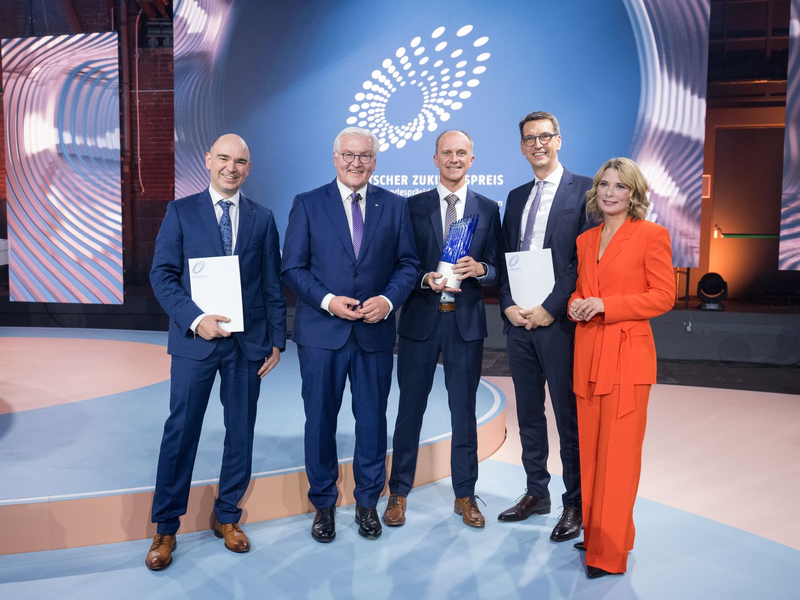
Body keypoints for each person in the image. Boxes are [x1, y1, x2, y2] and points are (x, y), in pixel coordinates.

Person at [146, 134, 286, 570]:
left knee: (241, 433)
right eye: (224, 158)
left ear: (249, 167)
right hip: (195, 343)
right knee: (181, 432)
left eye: (240, 161)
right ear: (208, 161)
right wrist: (194, 318)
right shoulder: (180, 211)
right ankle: (165, 527)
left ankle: (228, 517)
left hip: (247, 346)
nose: (231, 167)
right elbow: (162, 275)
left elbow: (271, 285)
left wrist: (277, 339)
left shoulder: (262, 218)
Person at [281, 127, 419, 543]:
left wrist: (388, 300)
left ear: (375, 160)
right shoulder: (307, 204)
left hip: (374, 335)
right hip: (322, 334)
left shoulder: (394, 207)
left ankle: (366, 505)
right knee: (320, 421)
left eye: (364, 156)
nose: (356, 163)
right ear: (335, 158)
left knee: (373, 423)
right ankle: (323, 505)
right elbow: (292, 268)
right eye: (348, 155)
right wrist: (327, 301)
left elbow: (409, 264)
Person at [385, 130, 501, 528]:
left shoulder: (488, 208)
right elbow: (399, 263)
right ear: (435, 159)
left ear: (472, 159)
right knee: (409, 411)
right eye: (446, 152)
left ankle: (465, 496)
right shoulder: (410, 207)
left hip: (465, 323)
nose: (454, 158)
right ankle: (398, 493)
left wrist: (482, 269)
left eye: (461, 153)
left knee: (463, 413)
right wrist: (423, 279)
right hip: (420, 320)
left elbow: (498, 266)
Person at [568, 157, 674, 578]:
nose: (611, 193)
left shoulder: (652, 235)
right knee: (592, 455)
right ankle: (597, 534)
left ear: (634, 194)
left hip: (627, 359)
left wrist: (608, 306)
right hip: (588, 352)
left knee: (619, 458)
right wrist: (577, 301)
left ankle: (609, 554)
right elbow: (584, 287)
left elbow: (663, 296)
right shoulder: (586, 239)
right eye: (605, 185)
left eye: (620, 187)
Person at [497, 111, 593, 541]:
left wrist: (552, 307)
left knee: (567, 417)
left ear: (559, 140)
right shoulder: (516, 197)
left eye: (545, 136)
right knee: (530, 416)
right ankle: (538, 492)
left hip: (558, 325)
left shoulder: (586, 190)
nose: (537, 144)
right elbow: (504, 259)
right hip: (519, 324)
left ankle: (575, 503)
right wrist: (507, 306)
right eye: (529, 138)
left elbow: (581, 261)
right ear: (521, 146)